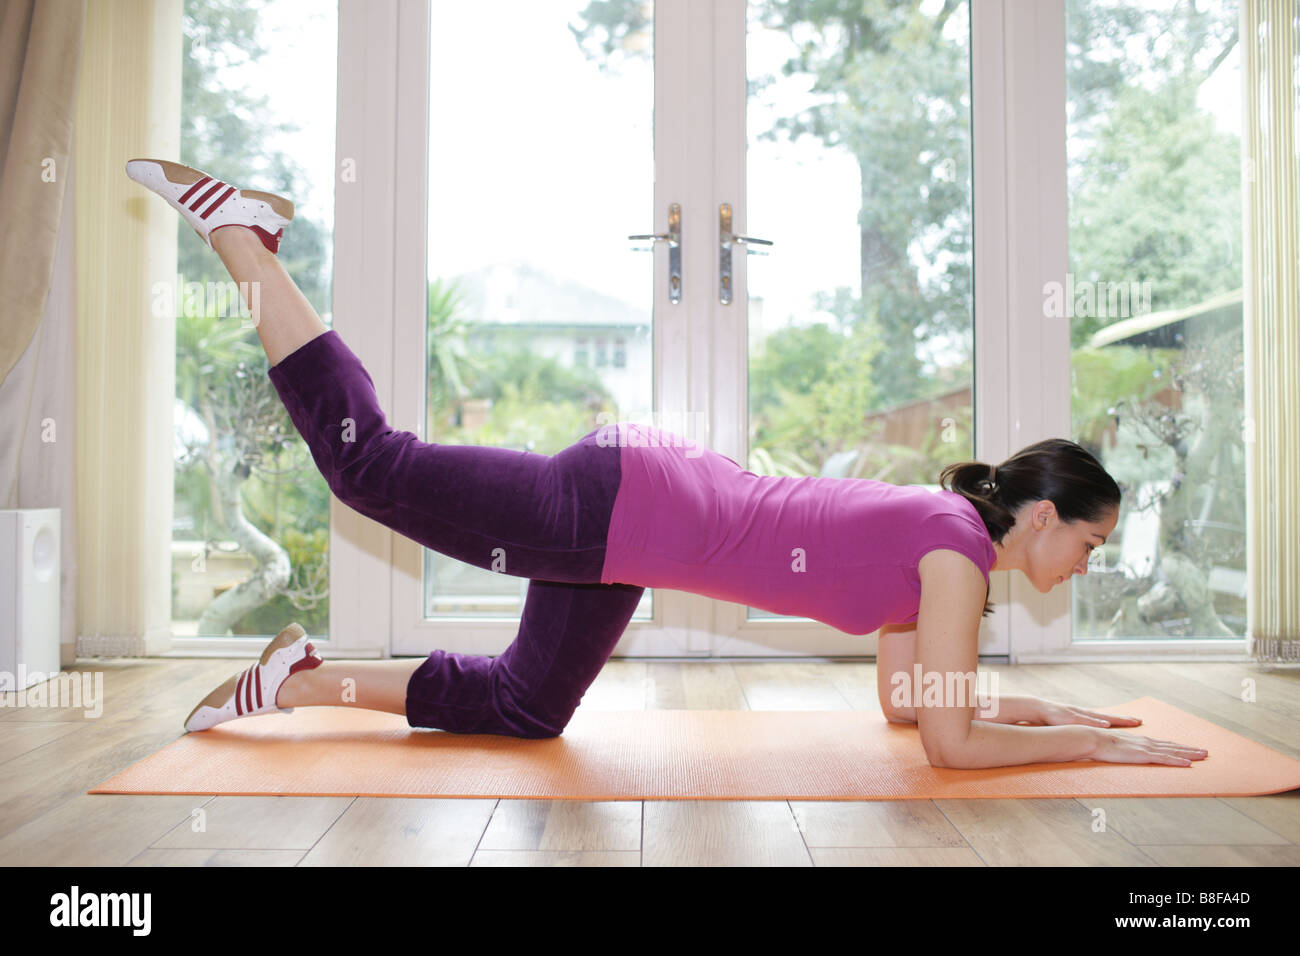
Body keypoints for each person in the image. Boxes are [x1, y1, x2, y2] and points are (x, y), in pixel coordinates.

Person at [125, 159, 1208, 771]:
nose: (1086, 563)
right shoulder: (957, 559)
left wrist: (1056, 719)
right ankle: (242, 236)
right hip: (619, 507)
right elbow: (952, 743)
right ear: (1045, 513)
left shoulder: (945, 549)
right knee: (371, 467)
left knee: (525, 706)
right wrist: (1091, 747)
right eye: (1091, 540)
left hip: (636, 519)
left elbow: (912, 703)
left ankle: (296, 677)